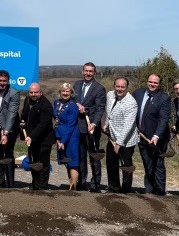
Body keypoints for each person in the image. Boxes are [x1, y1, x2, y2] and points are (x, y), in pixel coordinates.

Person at [133, 73, 171, 196]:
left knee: (158, 164)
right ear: (147, 82)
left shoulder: (164, 98)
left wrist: (156, 136)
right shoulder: (138, 93)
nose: (152, 84)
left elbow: (163, 119)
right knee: (147, 163)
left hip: (158, 138)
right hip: (142, 136)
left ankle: (160, 191)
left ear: (159, 84)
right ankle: (149, 190)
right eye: (151, 82)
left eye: (155, 82)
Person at [72, 62, 106, 192]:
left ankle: (95, 185)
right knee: (81, 157)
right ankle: (81, 183)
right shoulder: (77, 84)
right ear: (82, 71)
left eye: (91, 71)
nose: (88, 73)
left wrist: (94, 123)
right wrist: (77, 104)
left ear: (94, 73)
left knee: (94, 158)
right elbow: (73, 99)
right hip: (78, 127)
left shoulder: (99, 88)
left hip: (91, 127)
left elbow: (100, 108)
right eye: (86, 71)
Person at [103, 77, 139, 194]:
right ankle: (114, 188)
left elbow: (128, 125)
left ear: (127, 88)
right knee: (111, 163)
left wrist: (119, 143)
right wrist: (106, 124)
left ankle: (126, 190)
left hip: (126, 140)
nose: (119, 89)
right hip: (112, 137)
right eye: (117, 86)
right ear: (114, 86)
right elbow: (109, 113)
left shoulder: (131, 103)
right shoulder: (110, 95)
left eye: (122, 87)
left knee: (126, 166)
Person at [0, 70, 21, 188]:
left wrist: (5, 133)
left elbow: (12, 113)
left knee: (8, 152)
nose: (2, 83)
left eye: (4, 81)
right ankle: (0, 181)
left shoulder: (14, 93)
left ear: (8, 81)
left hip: (9, 127)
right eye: (0, 81)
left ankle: (10, 183)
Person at [21, 83, 54, 191]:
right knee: (33, 162)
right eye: (31, 92)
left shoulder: (46, 105)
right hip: (32, 139)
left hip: (44, 139)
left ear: (41, 92)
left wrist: (31, 136)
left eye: (36, 92)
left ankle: (42, 187)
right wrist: (22, 122)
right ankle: (35, 185)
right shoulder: (27, 100)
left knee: (42, 164)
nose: (33, 94)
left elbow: (43, 125)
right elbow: (24, 113)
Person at [53, 83, 80, 191]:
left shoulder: (73, 106)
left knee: (72, 162)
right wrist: (57, 138)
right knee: (66, 161)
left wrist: (63, 141)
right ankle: (71, 184)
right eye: (63, 91)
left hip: (71, 136)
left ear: (71, 93)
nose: (65, 93)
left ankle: (73, 188)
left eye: (67, 91)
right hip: (59, 134)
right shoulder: (56, 102)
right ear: (60, 92)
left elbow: (71, 125)